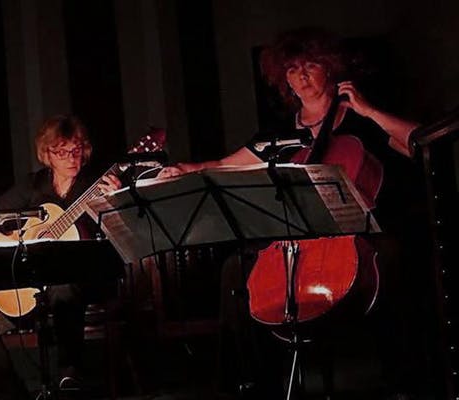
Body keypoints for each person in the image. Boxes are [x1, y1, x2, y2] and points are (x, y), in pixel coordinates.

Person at [159, 28, 422, 398]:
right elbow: (223, 165)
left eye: (310, 65)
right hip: (296, 240)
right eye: (292, 68)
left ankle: (404, 382)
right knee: (235, 269)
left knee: (393, 258)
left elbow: (421, 144)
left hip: (361, 235)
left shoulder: (360, 121)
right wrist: (186, 170)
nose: (302, 75)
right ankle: (250, 385)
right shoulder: (279, 132)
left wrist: (369, 110)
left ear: (330, 68)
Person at [0, 114, 121, 400]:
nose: (71, 158)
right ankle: (11, 393)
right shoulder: (32, 186)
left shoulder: (95, 185)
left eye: (76, 150)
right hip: (29, 283)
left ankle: (69, 375)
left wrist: (115, 201)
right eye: (61, 152)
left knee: (62, 286)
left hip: (82, 280)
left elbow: (119, 233)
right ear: (47, 154)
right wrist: (3, 241)